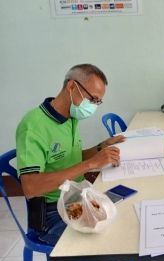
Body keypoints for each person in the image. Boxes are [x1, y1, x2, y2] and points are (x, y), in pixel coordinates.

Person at [16, 64, 125, 245]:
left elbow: (71, 159)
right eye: (93, 99)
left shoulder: (70, 117)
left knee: (124, 220)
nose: (93, 106)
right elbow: (30, 188)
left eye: (98, 102)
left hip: (77, 198)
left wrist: (101, 147)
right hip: (51, 215)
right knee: (107, 243)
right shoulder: (33, 128)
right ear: (72, 87)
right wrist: (90, 164)